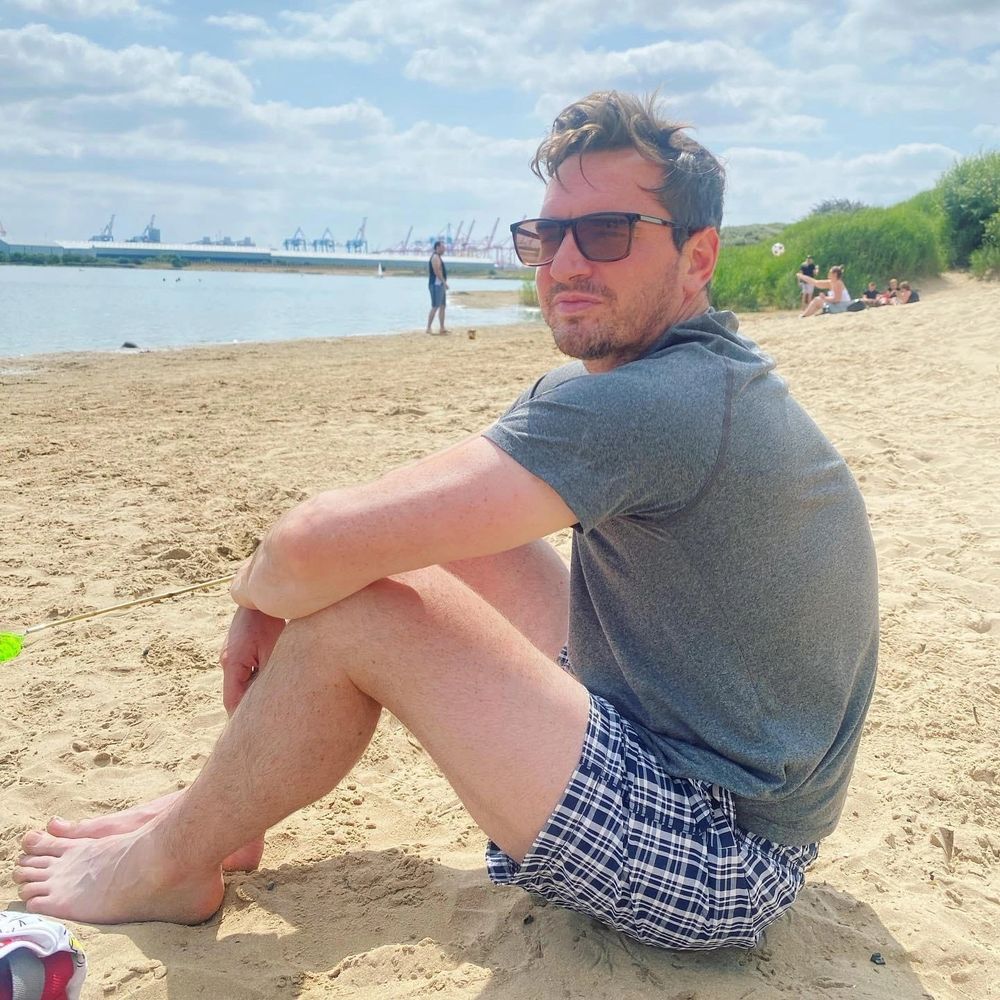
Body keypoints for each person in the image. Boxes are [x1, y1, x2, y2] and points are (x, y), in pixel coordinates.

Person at [12, 91, 878, 952]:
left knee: (359, 609)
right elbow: (382, 524)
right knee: (427, 553)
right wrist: (292, 579)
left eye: (608, 233)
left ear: (700, 256)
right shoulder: (679, 380)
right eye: (546, 237)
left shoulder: (665, 402)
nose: (566, 262)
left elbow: (316, 542)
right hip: (711, 747)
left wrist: (260, 601)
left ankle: (171, 861)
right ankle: (222, 809)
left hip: (722, 851)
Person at [426, 240, 448, 334]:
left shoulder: (439, 257)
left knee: (443, 306)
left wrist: (443, 283)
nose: (444, 249)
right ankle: (428, 328)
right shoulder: (435, 257)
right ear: (437, 247)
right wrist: (444, 282)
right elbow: (437, 272)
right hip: (436, 285)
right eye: (442, 247)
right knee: (435, 306)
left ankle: (442, 328)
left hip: (440, 285)